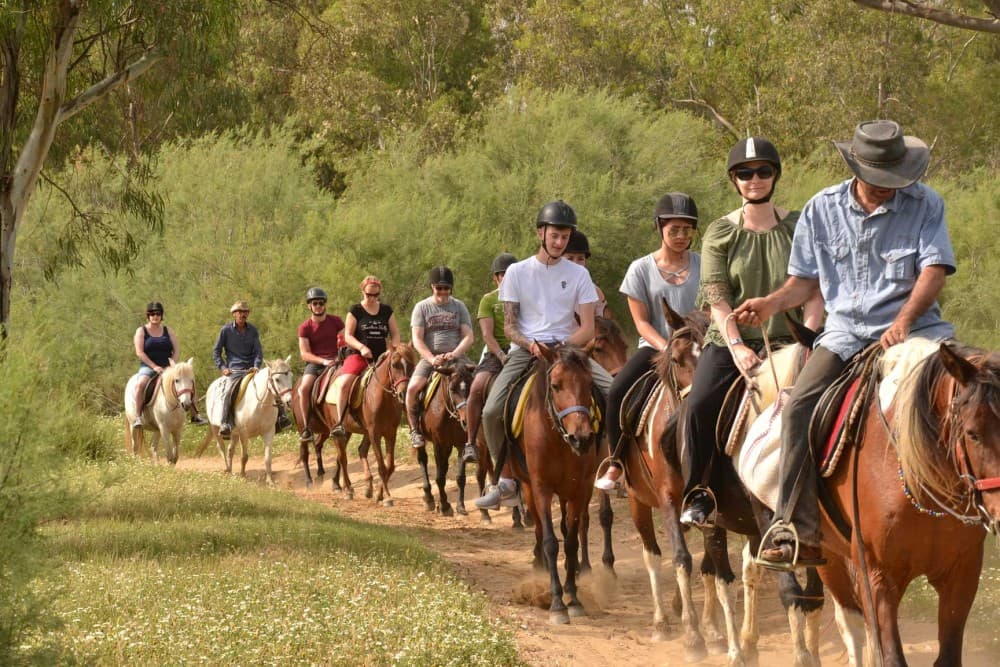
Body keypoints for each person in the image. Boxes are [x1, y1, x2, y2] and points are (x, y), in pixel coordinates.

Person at [735, 120, 956, 568]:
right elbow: (804, 282)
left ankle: (974, 503)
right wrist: (771, 303)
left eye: (894, 179)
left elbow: (933, 271)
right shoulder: (821, 209)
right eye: (878, 179)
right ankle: (797, 530)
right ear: (856, 169)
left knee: (973, 390)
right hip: (845, 334)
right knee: (798, 408)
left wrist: (903, 321)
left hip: (917, 332)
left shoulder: (926, 203)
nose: (887, 187)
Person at [677, 137, 825, 529]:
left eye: (763, 171)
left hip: (792, 340)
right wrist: (739, 348)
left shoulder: (799, 226)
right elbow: (717, 299)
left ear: (775, 175)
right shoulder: (720, 232)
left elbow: (815, 291)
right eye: (745, 173)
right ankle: (700, 491)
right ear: (734, 180)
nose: (754, 179)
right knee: (700, 403)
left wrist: (808, 339)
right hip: (731, 341)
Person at [476, 200, 614, 510]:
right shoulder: (517, 272)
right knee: (491, 411)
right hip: (526, 350)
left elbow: (588, 328)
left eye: (565, 237)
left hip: (568, 350)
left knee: (615, 391)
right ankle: (505, 479)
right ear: (541, 233)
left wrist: (561, 347)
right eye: (554, 236)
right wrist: (530, 345)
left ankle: (614, 465)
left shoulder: (579, 275)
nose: (560, 242)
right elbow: (509, 326)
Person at [593, 193, 702, 493]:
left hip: (698, 348)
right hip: (655, 347)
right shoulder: (640, 269)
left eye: (688, 230)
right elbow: (641, 322)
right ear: (659, 228)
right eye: (674, 229)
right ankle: (616, 462)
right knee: (617, 391)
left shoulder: (704, 265)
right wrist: (667, 348)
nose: (681, 236)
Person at [406, 266, 476, 448]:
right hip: (430, 358)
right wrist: (431, 358)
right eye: (439, 288)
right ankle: (415, 430)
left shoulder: (459, 306)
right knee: (412, 388)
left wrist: (455, 353)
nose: (443, 292)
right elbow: (417, 339)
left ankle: (479, 431)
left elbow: (468, 336)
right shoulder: (422, 307)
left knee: (478, 384)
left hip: (457, 357)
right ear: (432, 287)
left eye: (447, 288)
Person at [460, 252, 518, 464]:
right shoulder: (489, 300)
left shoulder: (526, 296)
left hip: (522, 349)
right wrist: (501, 355)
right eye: (502, 275)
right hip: (496, 352)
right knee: (477, 387)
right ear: (496, 278)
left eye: (511, 274)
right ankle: (471, 442)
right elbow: (487, 334)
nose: (507, 278)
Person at [212, 300, 290, 438]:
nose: (243, 314)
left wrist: (256, 365)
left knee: (272, 385)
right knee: (228, 391)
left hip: (252, 369)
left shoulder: (253, 330)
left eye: (245, 312)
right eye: (240, 312)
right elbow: (216, 352)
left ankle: (281, 418)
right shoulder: (226, 330)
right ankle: (226, 423)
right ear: (234, 314)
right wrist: (223, 368)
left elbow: (258, 352)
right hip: (234, 370)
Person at [335, 276, 402, 431]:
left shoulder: (386, 310)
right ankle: (340, 423)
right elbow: (348, 336)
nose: (372, 298)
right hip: (359, 355)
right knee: (344, 384)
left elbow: (395, 333)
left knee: (402, 379)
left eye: (376, 295)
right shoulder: (355, 310)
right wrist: (361, 348)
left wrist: (393, 348)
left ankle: (410, 423)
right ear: (362, 291)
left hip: (383, 356)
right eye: (368, 294)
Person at [130, 301, 207, 428]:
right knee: (140, 385)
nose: (155, 316)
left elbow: (176, 350)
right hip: (148, 367)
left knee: (188, 381)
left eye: (158, 313)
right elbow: (140, 352)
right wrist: (154, 367)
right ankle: (138, 417)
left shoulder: (168, 331)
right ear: (148, 315)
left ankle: (195, 415)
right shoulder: (141, 331)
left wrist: (172, 366)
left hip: (168, 367)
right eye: (152, 314)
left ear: (161, 315)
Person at [296, 287, 344, 441]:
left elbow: (344, 341)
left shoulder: (336, 321)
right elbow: (304, 354)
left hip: (338, 361)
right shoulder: (304, 327)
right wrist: (323, 361)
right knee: (304, 388)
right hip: (316, 363)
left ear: (325, 304)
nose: (318, 306)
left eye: (321, 303)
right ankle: (306, 428)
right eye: (315, 303)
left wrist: (340, 357)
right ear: (309, 306)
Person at [563, 229, 613, 320]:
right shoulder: (545, 286)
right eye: (570, 259)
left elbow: (608, 323)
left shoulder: (594, 291)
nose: (576, 264)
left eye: (580, 259)